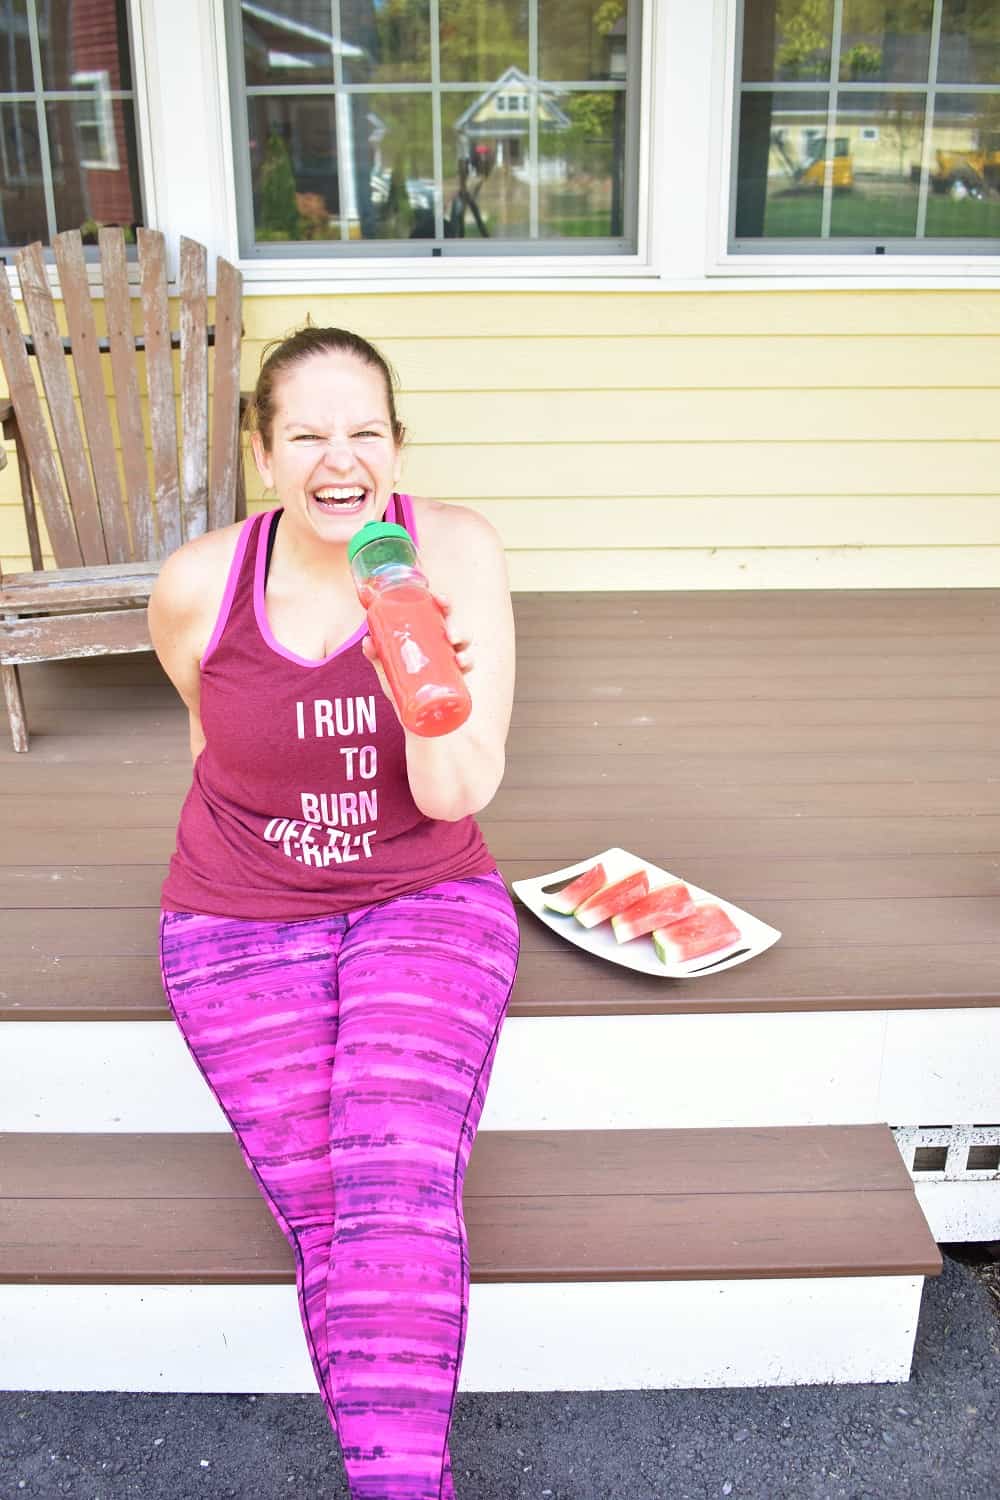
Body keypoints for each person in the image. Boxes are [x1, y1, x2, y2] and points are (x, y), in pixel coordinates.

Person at [148, 325, 519, 1500]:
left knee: (393, 1169)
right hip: (236, 908)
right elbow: (214, 746)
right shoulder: (199, 583)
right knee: (328, 1201)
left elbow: (457, 793)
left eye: (362, 430)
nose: (336, 456)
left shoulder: (452, 553)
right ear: (264, 456)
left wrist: (423, 685)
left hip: (424, 890)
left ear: (396, 448)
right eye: (305, 432)